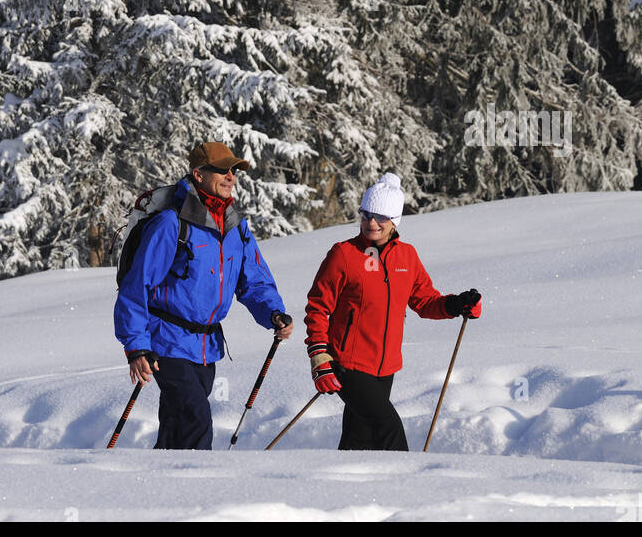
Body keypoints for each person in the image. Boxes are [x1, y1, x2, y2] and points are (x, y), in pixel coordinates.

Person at [114, 140, 293, 449]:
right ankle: (200, 487)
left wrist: (273, 313)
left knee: (177, 422)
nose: (231, 177)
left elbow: (254, 281)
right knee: (196, 419)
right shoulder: (171, 223)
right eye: (222, 170)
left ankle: (157, 485)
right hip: (166, 342)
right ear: (198, 174)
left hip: (206, 347)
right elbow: (136, 286)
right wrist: (137, 346)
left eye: (234, 171)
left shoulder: (236, 227)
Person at [305, 171, 481, 451]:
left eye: (381, 217)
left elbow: (424, 301)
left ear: (394, 221)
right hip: (347, 363)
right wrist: (319, 357)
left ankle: (339, 487)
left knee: (358, 438)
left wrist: (455, 304)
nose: (371, 223)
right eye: (366, 215)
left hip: (385, 366)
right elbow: (317, 307)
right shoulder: (344, 254)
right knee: (387, 428)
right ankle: (406, 486)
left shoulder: (406, 256)